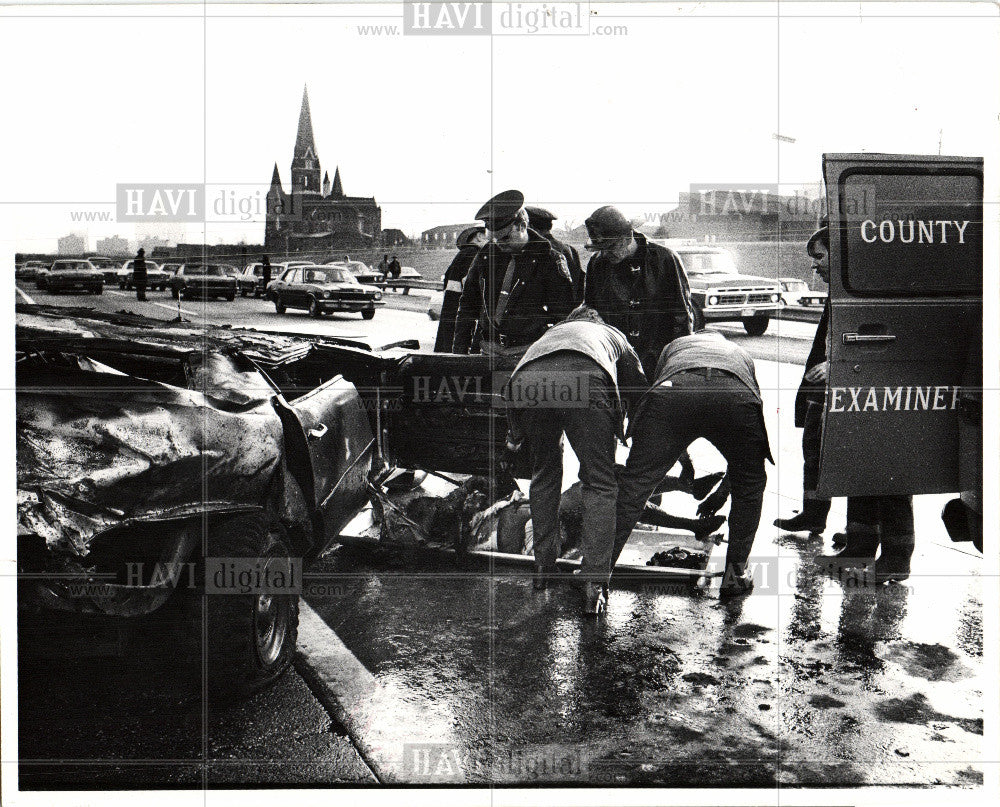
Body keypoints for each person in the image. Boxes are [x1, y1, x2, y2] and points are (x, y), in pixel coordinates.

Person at [504, 305, 647, 613]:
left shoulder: (550, 335)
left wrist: (515, 433)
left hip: (527, 384)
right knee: (600, 484)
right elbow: (638, 385)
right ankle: (594, 585)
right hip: (585, 381)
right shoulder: (611, 334)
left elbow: (519, 376)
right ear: (596, 320)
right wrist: (631, 429)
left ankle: (543, 569)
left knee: (545, 473)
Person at [613, 330, 772, 598]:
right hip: (733, 394)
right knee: (751, 485)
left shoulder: (674, 346)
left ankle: (599, 571)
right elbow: (745, 457)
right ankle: (736, 576)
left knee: (634, 486)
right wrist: (723, 494)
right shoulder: (740, 354)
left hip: (674, 391)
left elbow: (666, 413)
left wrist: (686, 462)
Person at [452, 189, 575, 357]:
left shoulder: (549, 259)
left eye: (504, 238)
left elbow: (563, 316)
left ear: (522, 226)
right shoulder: (487, 255)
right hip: (488, 350)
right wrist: (460, 353)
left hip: (529, 353)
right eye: (493, 239)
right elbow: (467, 306)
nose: (498, 244)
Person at [582, 205, 696, 379]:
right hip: (616, 361)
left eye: (610, 247)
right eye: (600, 248)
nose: (604, 254)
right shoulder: (597, 264)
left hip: (658, 360)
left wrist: (679, 362)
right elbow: (590, 306)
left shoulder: (665, 259)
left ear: (627, 238)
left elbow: (681, 315)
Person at [774, 223, 832, 535]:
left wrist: (833, 366)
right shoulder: (838, 295)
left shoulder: (846, 297)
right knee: (813, 450)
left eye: (820, 256)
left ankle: (817, 515)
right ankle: (813, 513)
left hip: (832, 390)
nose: (815, 265)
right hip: (819, 390)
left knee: (824, 454)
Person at [434, 226, 488, 352]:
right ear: (479, 236)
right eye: (487, 235)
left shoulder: (462, 254)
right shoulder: (474, 253)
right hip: (462, 311)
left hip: (452, 308)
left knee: (447, 345)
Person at [525, 206, 584, 303]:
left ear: (531, 227)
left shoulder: (538, 251)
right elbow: (580, 286)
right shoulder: (570, 250)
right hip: (571, 312)